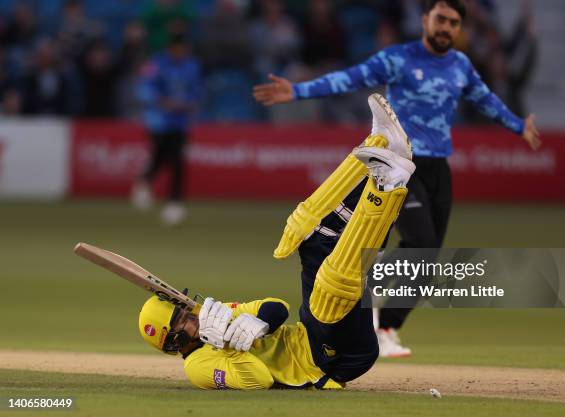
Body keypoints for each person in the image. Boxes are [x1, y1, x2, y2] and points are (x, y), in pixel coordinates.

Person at [253, 0, 541, 357]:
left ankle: (386, 326)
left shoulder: (461, 65)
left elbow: (485, 101)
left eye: (453, 23)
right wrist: (297, 91)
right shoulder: (399, 58)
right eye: (440, 19)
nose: (446, 28)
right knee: (420, 243)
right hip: (403, 164)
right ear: (425, 20)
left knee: (428, 256)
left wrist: (518, 126)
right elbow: (350, 78)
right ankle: (367, 290)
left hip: (439, 168)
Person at [137, 94, 415, 389]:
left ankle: (381, 142)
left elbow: (277, 307)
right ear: (174, 341)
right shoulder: (198, 367)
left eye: (183, 308)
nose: (191, 313)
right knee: (330, 287)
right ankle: (387, 187)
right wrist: (231, 345)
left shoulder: (214, 317)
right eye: (183, 319)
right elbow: (258, 380)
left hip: (311, 333)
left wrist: (255, 324)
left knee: (305, 232)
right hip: (331, 360)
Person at [132, 32, 202, 226]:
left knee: (177, 160)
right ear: (170, 49)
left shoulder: (191, 66)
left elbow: (195, 91)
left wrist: (189, 104)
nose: (180, 53)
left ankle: (175, 202)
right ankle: (145, 181)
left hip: (179, 122)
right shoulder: (157, 64)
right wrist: (162, 101)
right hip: (159, 121)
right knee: (160, 156)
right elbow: (144, 89)